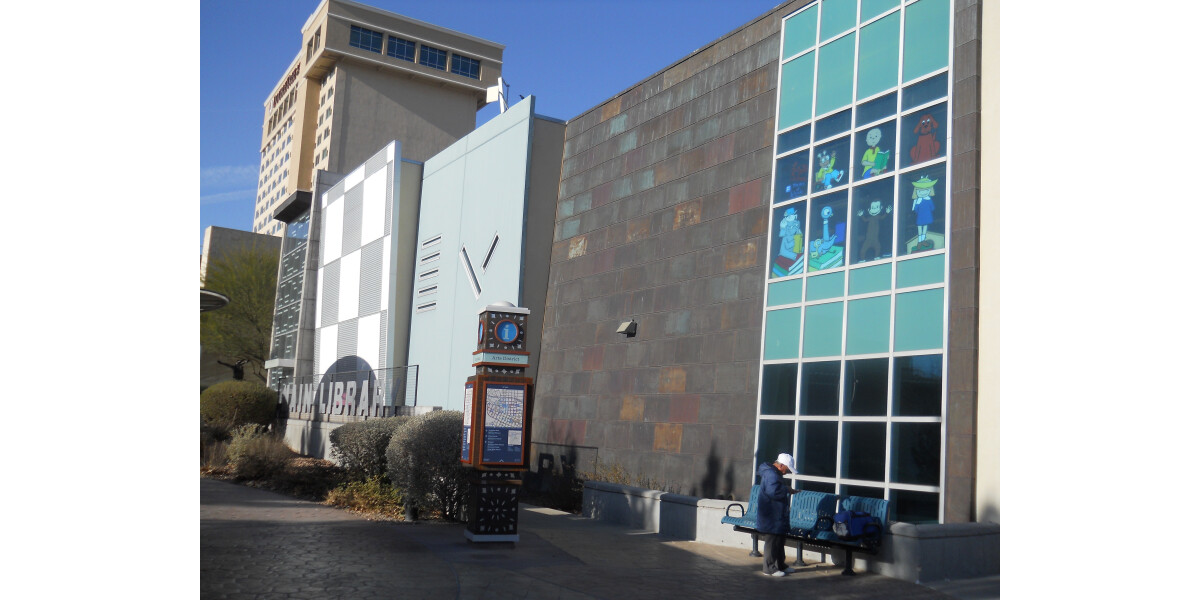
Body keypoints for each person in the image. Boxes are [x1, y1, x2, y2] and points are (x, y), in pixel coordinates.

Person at [756, 453, 800, 577]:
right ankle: (769, 568)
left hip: (776, 515)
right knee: (772, 542)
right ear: (781, 465)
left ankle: (780, 564)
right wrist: (787, 490)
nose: (788, 472)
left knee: (779, 540)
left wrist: (786, 488)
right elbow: (773, 492)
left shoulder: (773, 473)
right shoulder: (772, 474)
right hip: (772, 516)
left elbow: (774, 489)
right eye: (787, 468)